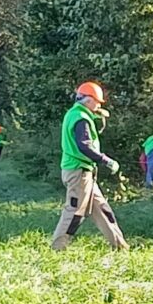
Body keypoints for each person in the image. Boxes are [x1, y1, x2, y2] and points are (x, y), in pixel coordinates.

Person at [52, 81, 128, 251]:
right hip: (78, 172)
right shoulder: (81, 118)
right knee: (74, 211)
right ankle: (58, 248)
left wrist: (97, 117)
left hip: (83, 172)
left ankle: (120, 247)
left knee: (102, 209)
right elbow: (84, 145)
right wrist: (105, 160)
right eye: (97, 102)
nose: (99, 105)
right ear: (88, 100)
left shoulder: (74, 114)